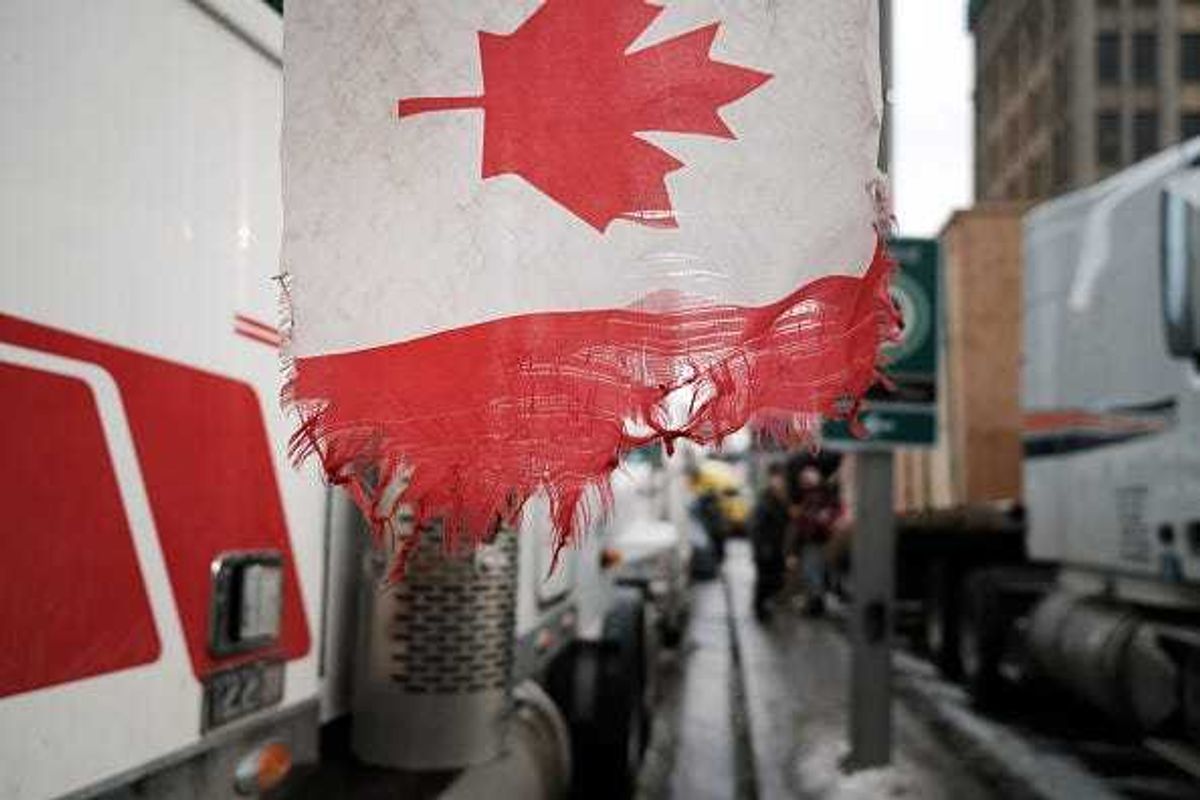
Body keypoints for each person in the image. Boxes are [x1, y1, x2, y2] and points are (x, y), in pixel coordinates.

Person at [749, 463, 790, 621]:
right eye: (776, 478)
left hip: (776, 547)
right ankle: (760, 609)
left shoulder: (780, 498)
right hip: (765, 548)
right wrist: (761, 547)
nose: (779, 481)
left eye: (780, 478)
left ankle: (764, 606)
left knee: (775, 579)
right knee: (765, 579)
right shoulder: (766, 498)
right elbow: (757, 526)